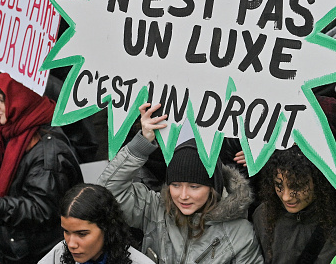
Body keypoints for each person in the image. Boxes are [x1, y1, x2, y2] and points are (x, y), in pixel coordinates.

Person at [98, 103, 264, 264]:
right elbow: (107, 193)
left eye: (194, 187)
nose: (183, 196)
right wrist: (141, 143)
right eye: (176, 185)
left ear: (213, 188)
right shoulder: (155, 209)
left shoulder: (241, 234)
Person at [0, 73, 83, 264]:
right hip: (23, 248)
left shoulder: (48, 152)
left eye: (1, 100)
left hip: (39, 253)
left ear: (20, 101)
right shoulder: (14, 131)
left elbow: (42, 209)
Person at [39, 184, 154, 264]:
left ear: (107, 228)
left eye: (82, 234)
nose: (71, 244)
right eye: (66, 232)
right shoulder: (57, 255)